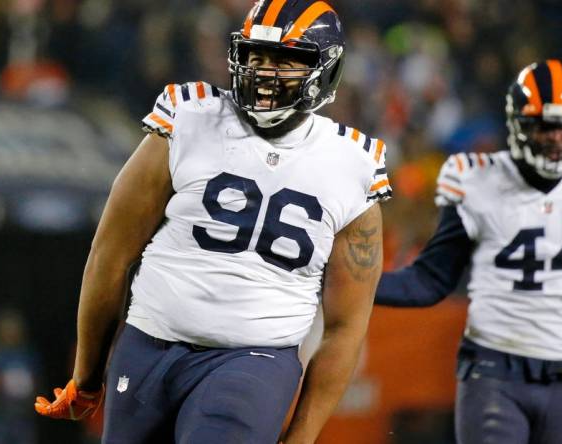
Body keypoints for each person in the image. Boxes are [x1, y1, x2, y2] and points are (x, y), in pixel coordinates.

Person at [34, 1, 392, 443]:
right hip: (148, 346)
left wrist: (300, 437)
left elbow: (345, 327)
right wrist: (87, 377)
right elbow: (110, 254)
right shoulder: (188, 118)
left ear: (326, 69)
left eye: (285, 60)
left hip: (254, 361)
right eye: (257, 57)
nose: (265, 73)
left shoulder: (353, 166)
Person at [375, 60, 562, 444]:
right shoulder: (478, 181)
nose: (559, 138)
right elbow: (430, 280)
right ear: (520, 124)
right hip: (494, 371)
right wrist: (356, 285)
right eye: (547, 125)